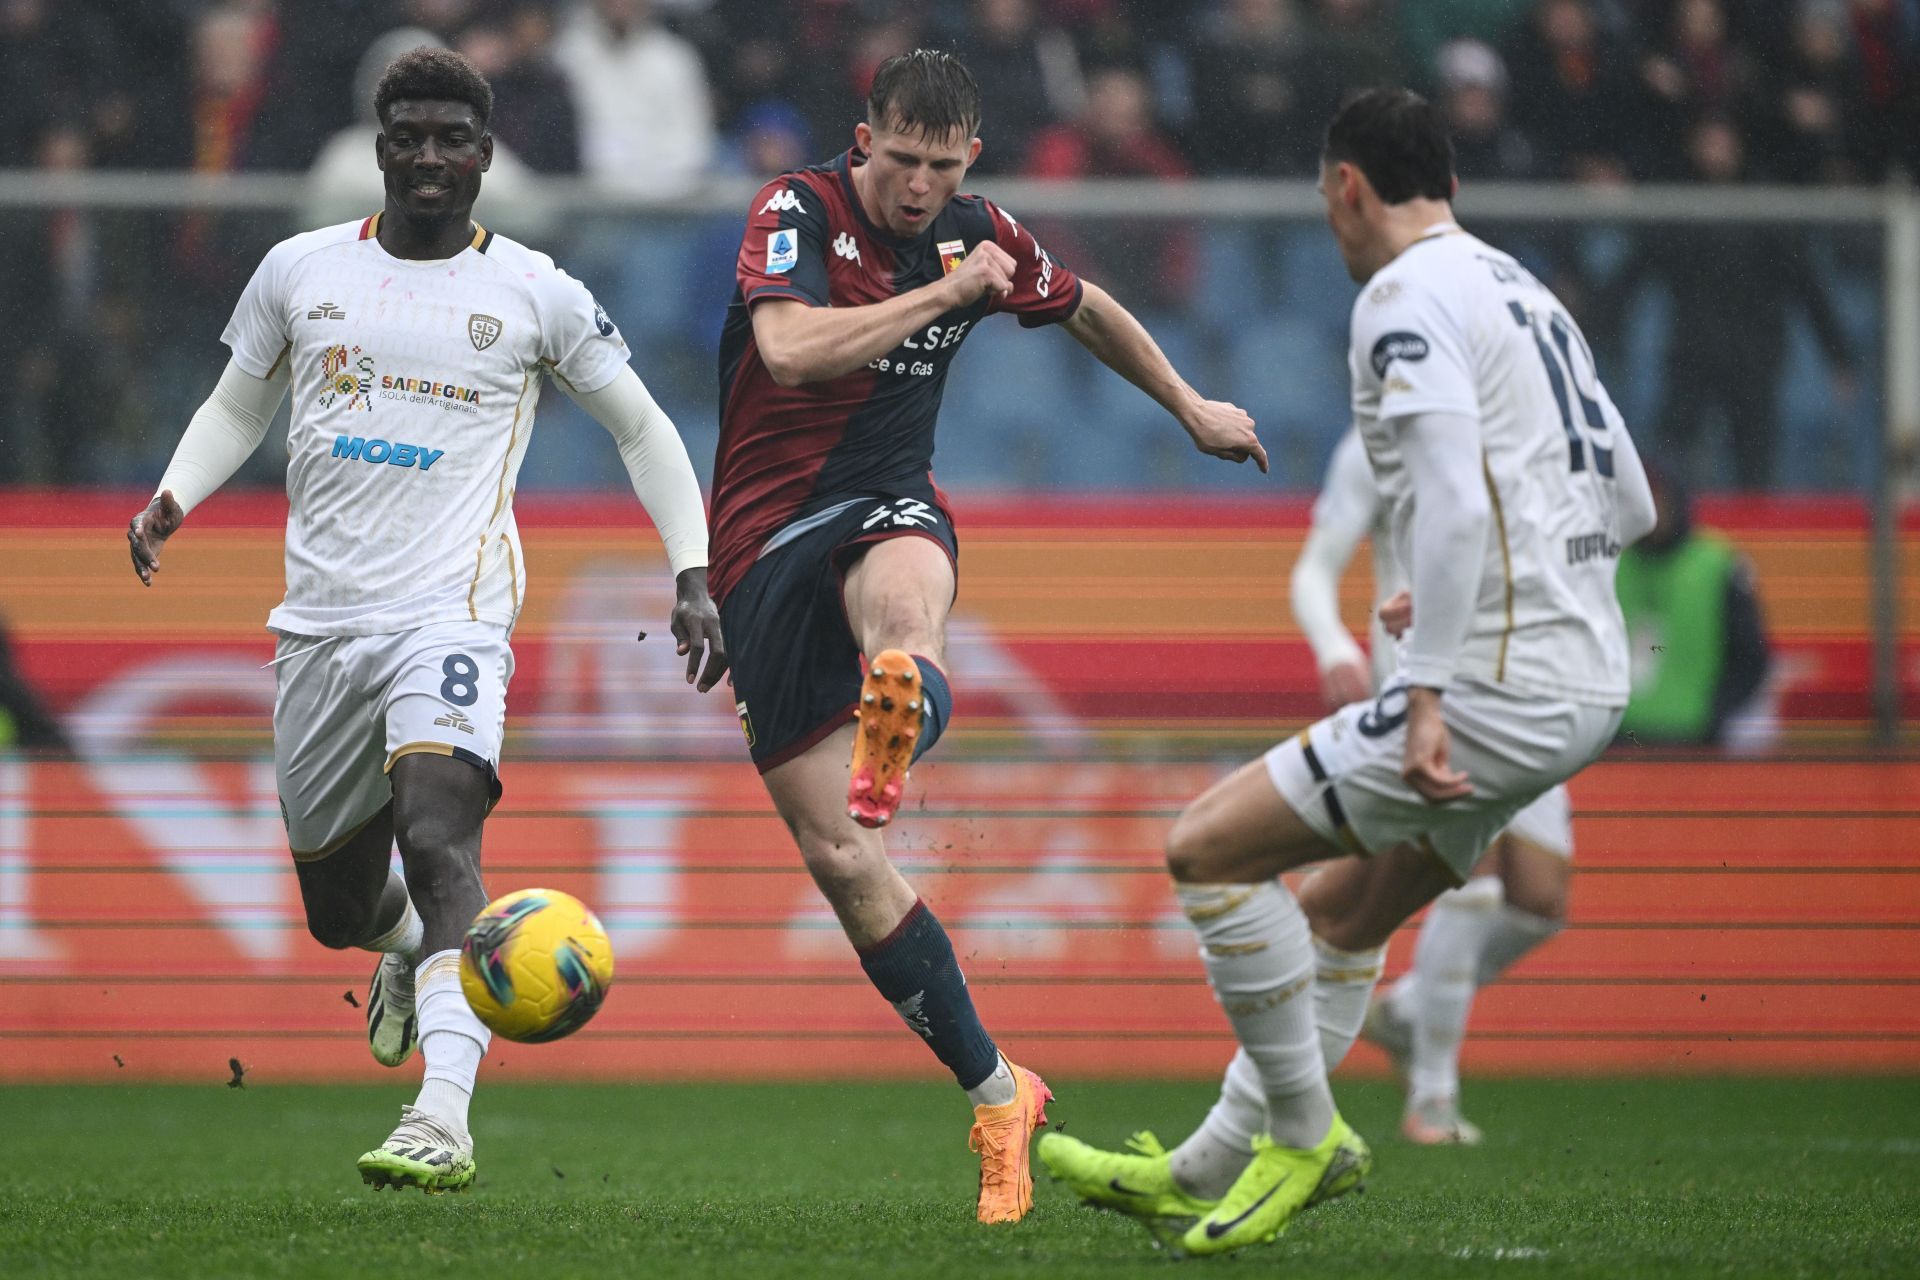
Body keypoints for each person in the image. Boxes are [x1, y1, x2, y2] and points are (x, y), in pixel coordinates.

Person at [1037, 88, 1656, 1256]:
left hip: (1492, 685)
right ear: (1453, 187)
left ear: (1345, 188)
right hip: (1586, 683)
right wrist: (1507, 589)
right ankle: (1204, 1162)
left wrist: (1426, 683)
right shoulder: (1527, 294)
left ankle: (1308, 1135)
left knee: (1208, 852)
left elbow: (1460, 499)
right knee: (1343, 904)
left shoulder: (1402, 298)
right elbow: (1632, 500)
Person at [123, 47, 722, 1194]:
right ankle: (405, 952)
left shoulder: (538, 292)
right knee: (336, 908)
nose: (433, 157)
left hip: (450, 613)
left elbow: (645, 431)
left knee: (442, 835)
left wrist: (691, 571)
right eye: (412, 137)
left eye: (455, 138)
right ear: (380, 145)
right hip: (319, 626)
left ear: (486, 153)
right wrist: (174, 494)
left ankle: (440, 1114)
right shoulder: (301, 269)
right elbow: (241, 397)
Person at [706, 49, 1264, 1224]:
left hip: (885, 499)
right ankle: (1001, 1091)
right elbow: (792, 351)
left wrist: (1194, 408)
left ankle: (897, 702)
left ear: (969, 162)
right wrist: (950, 297)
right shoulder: (797, 210)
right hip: (761, 542)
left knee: (904, 608)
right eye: (899, 159)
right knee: (844, 862)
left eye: (940, 166)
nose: (916, 185)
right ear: (866, 141)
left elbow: (1090, 308)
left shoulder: (984, 231)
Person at [1290, 428, 1576, 1146]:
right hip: (1427, 688)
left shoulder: (1518, 432)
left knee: (1539, 900)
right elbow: (1314, 570)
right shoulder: (1376, 445)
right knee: (1472, 881)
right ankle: (1434, 1097)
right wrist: (1333, 647)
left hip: (1524, 680)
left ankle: (1409, 1010)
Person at [1615, 466, 1772, 747]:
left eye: (1658, 499)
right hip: (1619, 738)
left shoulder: (1718, 562)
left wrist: (1716, 713)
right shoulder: (1611, 561)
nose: (1653, 511)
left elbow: (1751, 655)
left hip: (1694, 741)